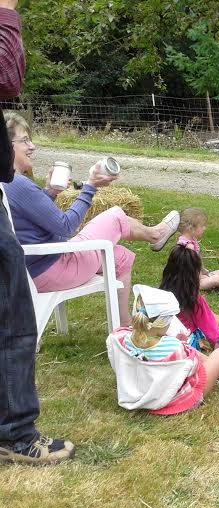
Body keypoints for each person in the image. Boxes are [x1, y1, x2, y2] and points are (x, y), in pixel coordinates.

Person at [3, 111, 181, 327]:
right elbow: (65, 226)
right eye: (24, 140)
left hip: (32, 268)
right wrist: (90, 187)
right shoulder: (17, 184)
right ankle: (156, 235)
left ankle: (123, 325)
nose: (32, 146)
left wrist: (50, 192)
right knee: (114, 216)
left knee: (121, 257)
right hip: (52, 269)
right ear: (5, 144)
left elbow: (32, 220)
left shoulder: (7, 184)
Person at [0, 1, 75, 465]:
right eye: (25, 141)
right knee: (12, 320)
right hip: (51, 263)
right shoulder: (22, 187)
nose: (33, 146)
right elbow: (7, 77)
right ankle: (15, 432)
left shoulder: (26, 186)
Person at [107, 285, 219, 416]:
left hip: (138, 394)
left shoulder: (117, 337)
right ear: (162, 322)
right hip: (175, 401)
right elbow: (195, 369)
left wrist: (179, 344)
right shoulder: (174, 348)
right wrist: (183, 345)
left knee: (205, 358)